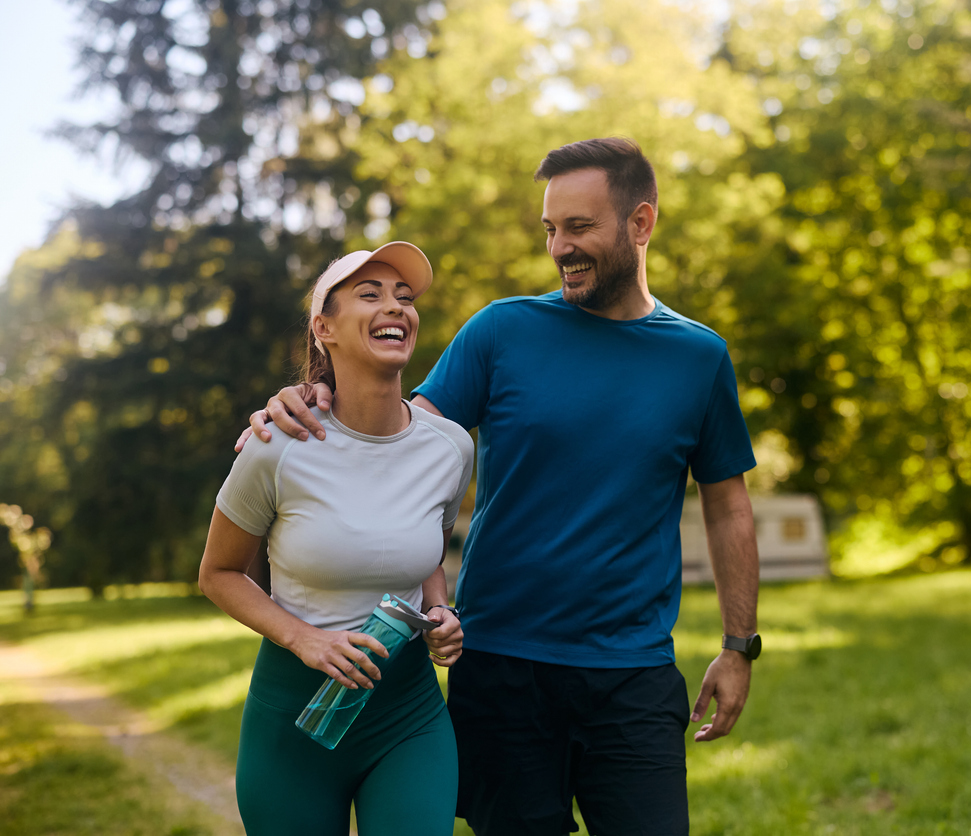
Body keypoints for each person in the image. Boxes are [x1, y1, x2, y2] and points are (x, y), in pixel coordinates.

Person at [241, 138, 761, 835]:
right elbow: (391, 443)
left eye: (579, 228)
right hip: (502, 672)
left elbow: (728, 507)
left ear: (640, 224)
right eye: (551, 229)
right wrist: (307, 399)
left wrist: (738, 645)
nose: (560, 247)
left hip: (633, 676)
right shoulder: (502, 332)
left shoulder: (699, 358)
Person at [200, 242, 474, 836]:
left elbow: (424, 546)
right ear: (325, 328)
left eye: (404, 297)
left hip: (407, 714)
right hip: (294, 715)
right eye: (370, 295)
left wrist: (439, 609)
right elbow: (218, 574)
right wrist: (306, 641)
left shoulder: (451, 447)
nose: (395, 306)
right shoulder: (277, 445)